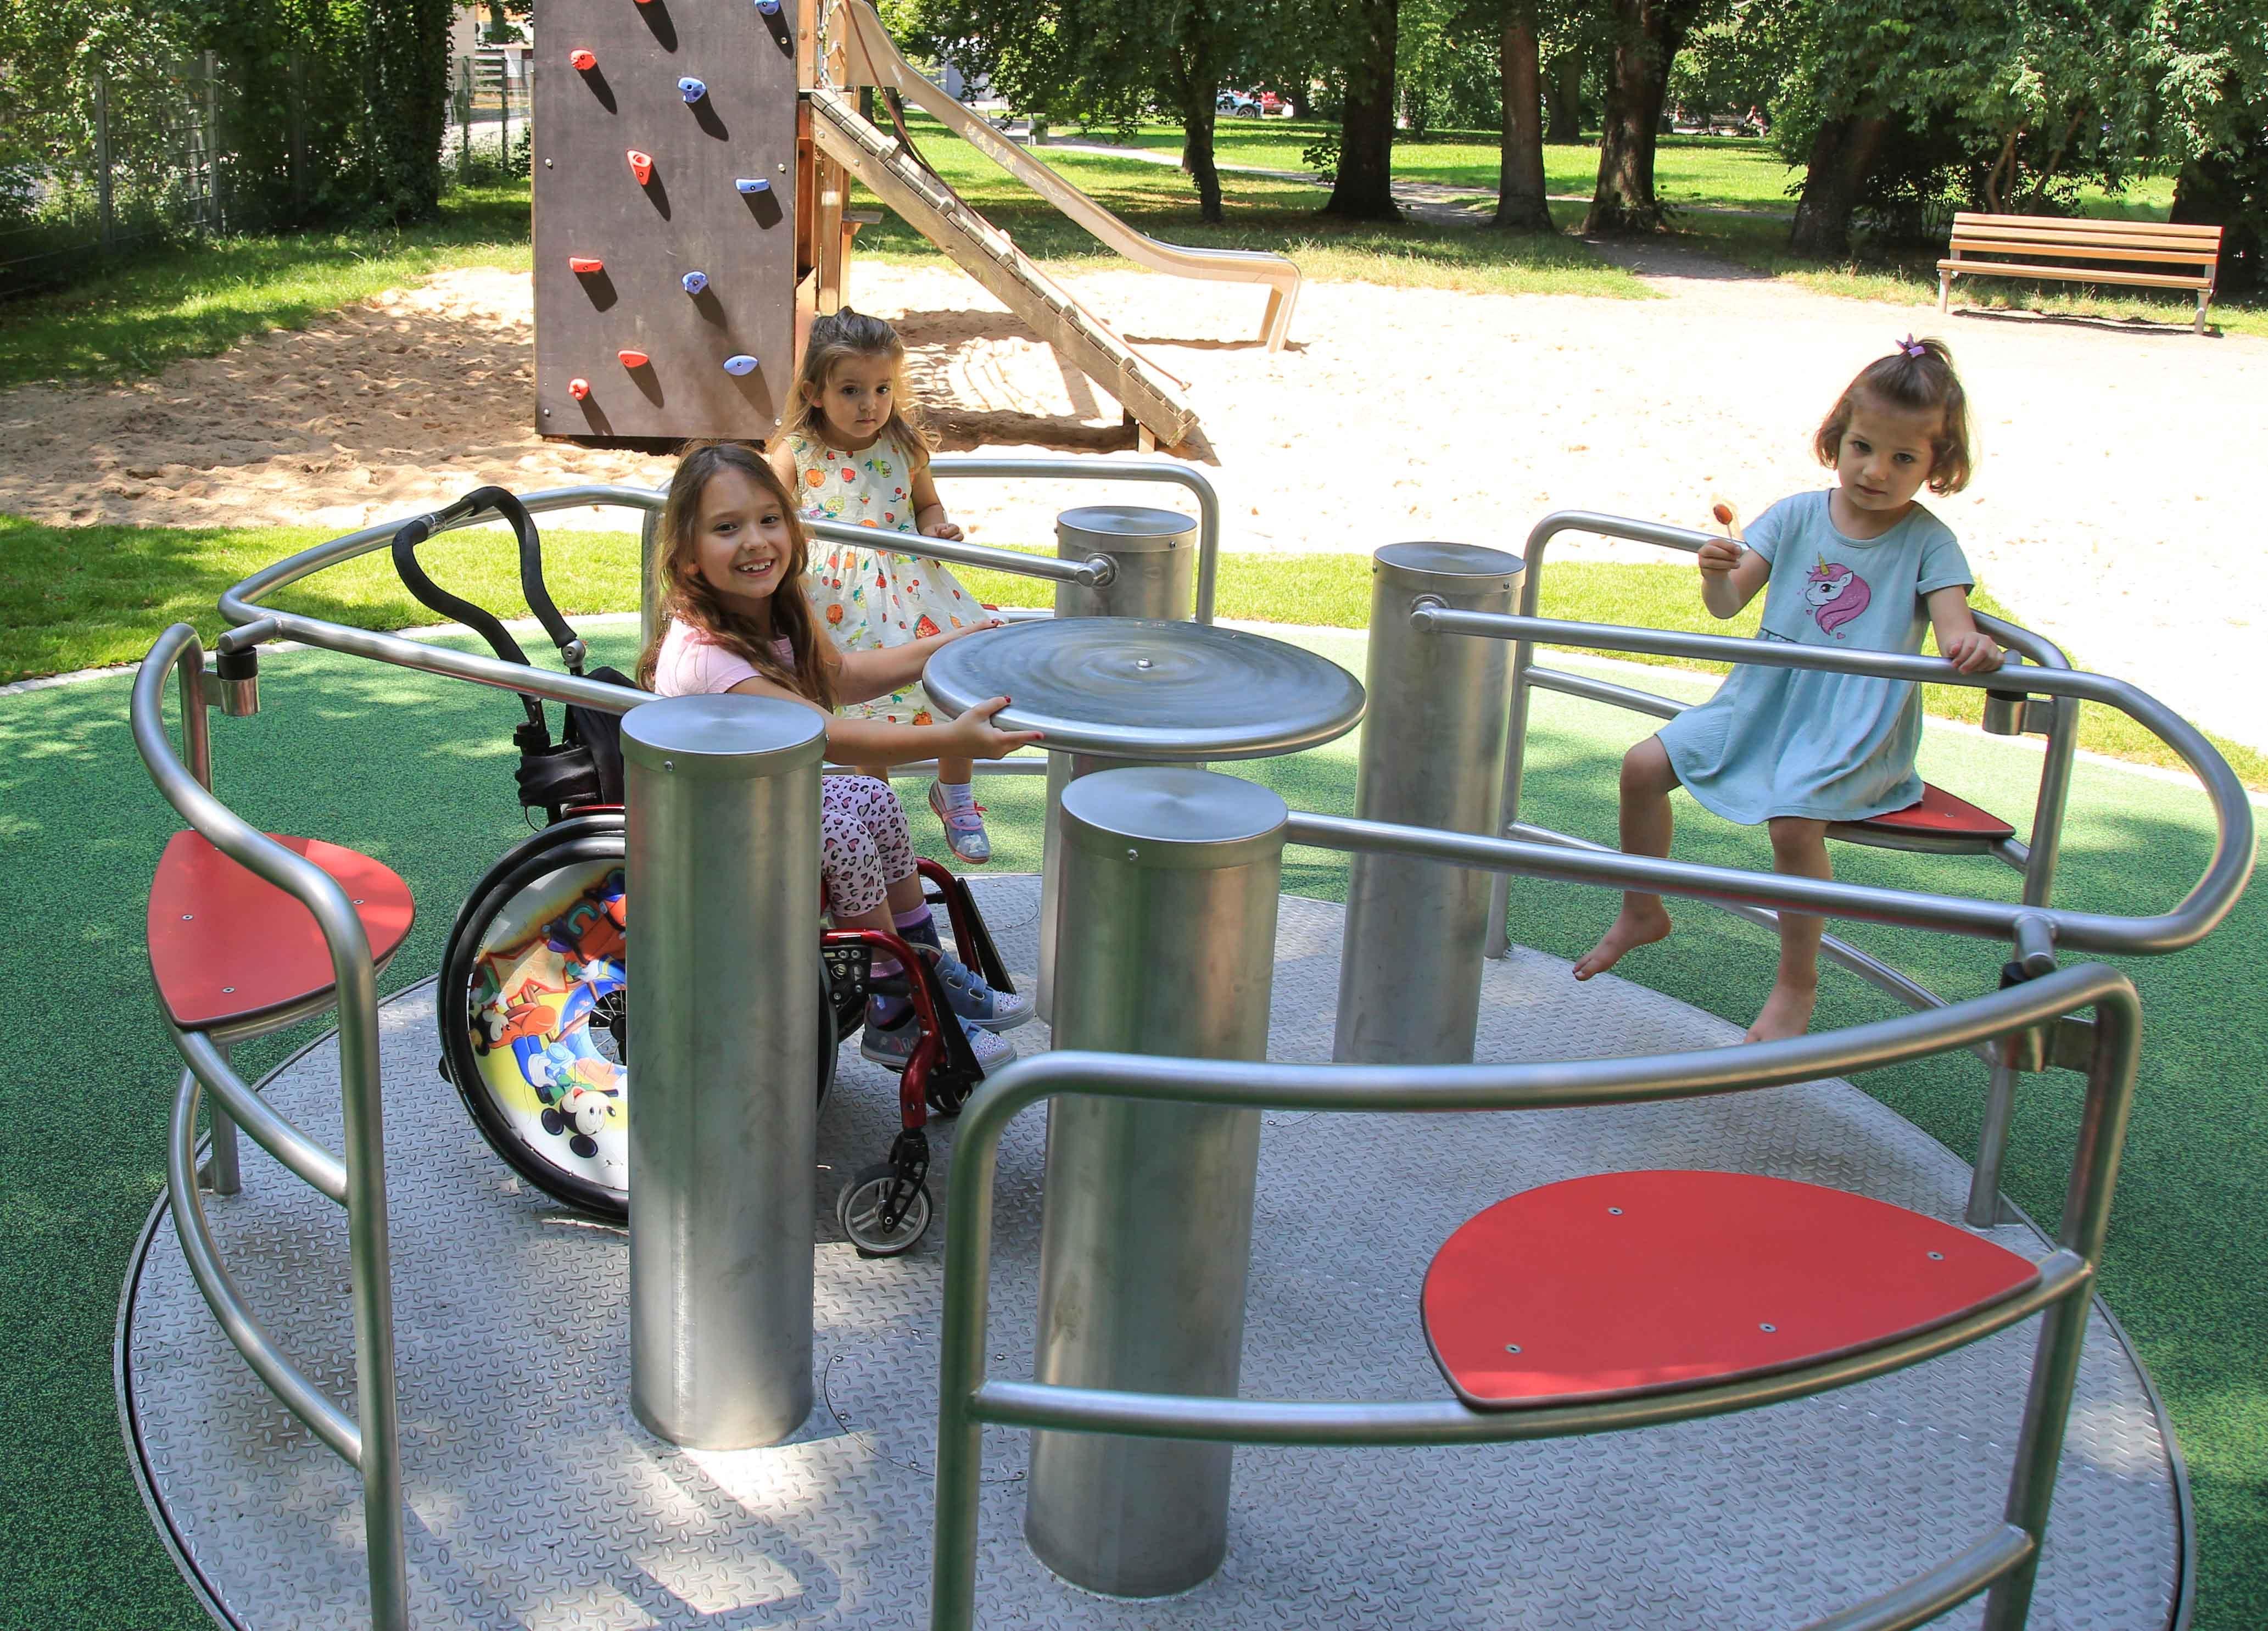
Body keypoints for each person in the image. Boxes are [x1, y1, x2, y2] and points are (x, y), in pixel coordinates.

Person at [1573, 336, 2003, 1043]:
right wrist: (1714, 570)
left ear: (1936, 466)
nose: (1874, 471)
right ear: (1836, 439)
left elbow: (1954, 624)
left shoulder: (1929, 542)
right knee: (1641, 766)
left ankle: (1796, 982)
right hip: (1763, 700)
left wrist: (1970, 646)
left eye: (1903, 458)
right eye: (1862, 447)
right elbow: (1725, 606)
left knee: (1793, 824)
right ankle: (1641, 908)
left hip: (1854, 718)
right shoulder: (1795, 514)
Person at [639, 440, 1040, 1073]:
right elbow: (836, 735)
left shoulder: (769, 613)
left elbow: (843, 677)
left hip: (758, 803)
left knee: (872, 797)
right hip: (709, 830)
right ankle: (893, 1007)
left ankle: (922, 962)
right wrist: (952, 741)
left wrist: (955, 642)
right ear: (687, 558)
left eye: (769, 519)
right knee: (839, 828)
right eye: (726, 528)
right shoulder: (712, 657)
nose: (755, 541)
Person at [769, 309, 997, 865]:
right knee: (861, 709)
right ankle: (876, 804)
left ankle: (957, 793)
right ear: (814, 392)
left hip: (911, 589)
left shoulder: (903, 446)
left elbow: (925, 504)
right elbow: (767, 516)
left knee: (947, 681)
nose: (869, 404)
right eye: (850, 390)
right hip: (833, 598)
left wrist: (935, 527)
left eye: (881, 389)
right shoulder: (795, 452)